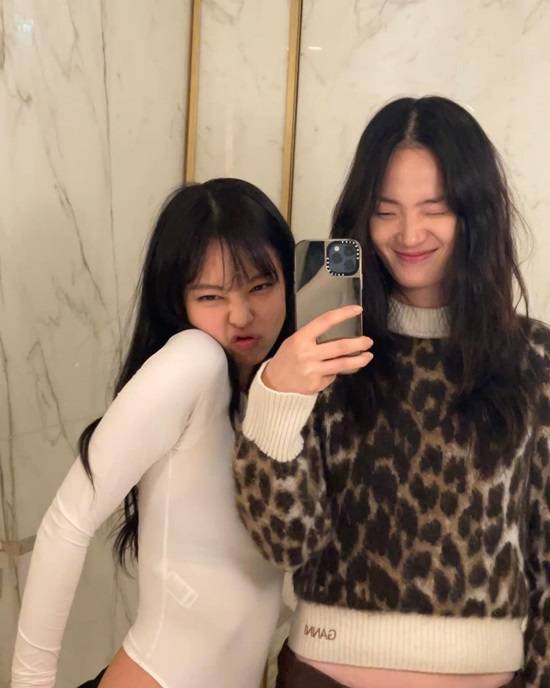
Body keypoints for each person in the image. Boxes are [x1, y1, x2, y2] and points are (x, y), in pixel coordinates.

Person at [233, 97, 550, 688]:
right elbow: (284, 542)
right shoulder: (322, 350)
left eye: (435, 210)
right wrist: (276, 396)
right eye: (385, 212)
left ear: (475, 214)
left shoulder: (532, 357)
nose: (408, 234)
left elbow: (545, 553)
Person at [12, 178, 295, 688]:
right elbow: (66, 524)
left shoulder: (269, 396)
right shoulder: (195, 361)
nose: (241, 316)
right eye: (211, 296)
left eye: (260, 286)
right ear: (178, 300)